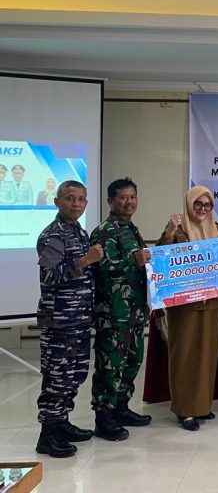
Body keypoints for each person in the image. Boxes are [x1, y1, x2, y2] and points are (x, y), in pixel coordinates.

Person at [35, 181, 103, 458]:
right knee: (57, 377)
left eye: (81, 199)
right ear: (57, 201)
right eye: (70, 198)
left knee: (74, 375)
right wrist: (86, 260)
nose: (76, 204)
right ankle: (48, 435)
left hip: (78, 318)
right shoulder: (53, 235)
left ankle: (62, 422)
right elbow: (48, 276)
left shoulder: (79, 231)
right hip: (59, 321)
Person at [157, 186, 218, 430]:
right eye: (198, 204)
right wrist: (170, 230)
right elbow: (161, 258)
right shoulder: (178, 229)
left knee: (207, 355)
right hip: (184, 305)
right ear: (189, 204)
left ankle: (201, 406)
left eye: (207, 205)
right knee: (184, 355)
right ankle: (184, 409)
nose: (203, 209)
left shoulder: (216, 229)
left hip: (212, 302)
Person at [90, 178, 152, 441]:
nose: (129, 202)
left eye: (133, 197)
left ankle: (122, 407)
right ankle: (104, 417)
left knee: (132, 360)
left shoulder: (130, 229)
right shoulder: (104, 231)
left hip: (134, 311)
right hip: (113, 314)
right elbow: (100, 268)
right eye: (123, 197)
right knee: (110, 364)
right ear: (110, 201)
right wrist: (133, 260)